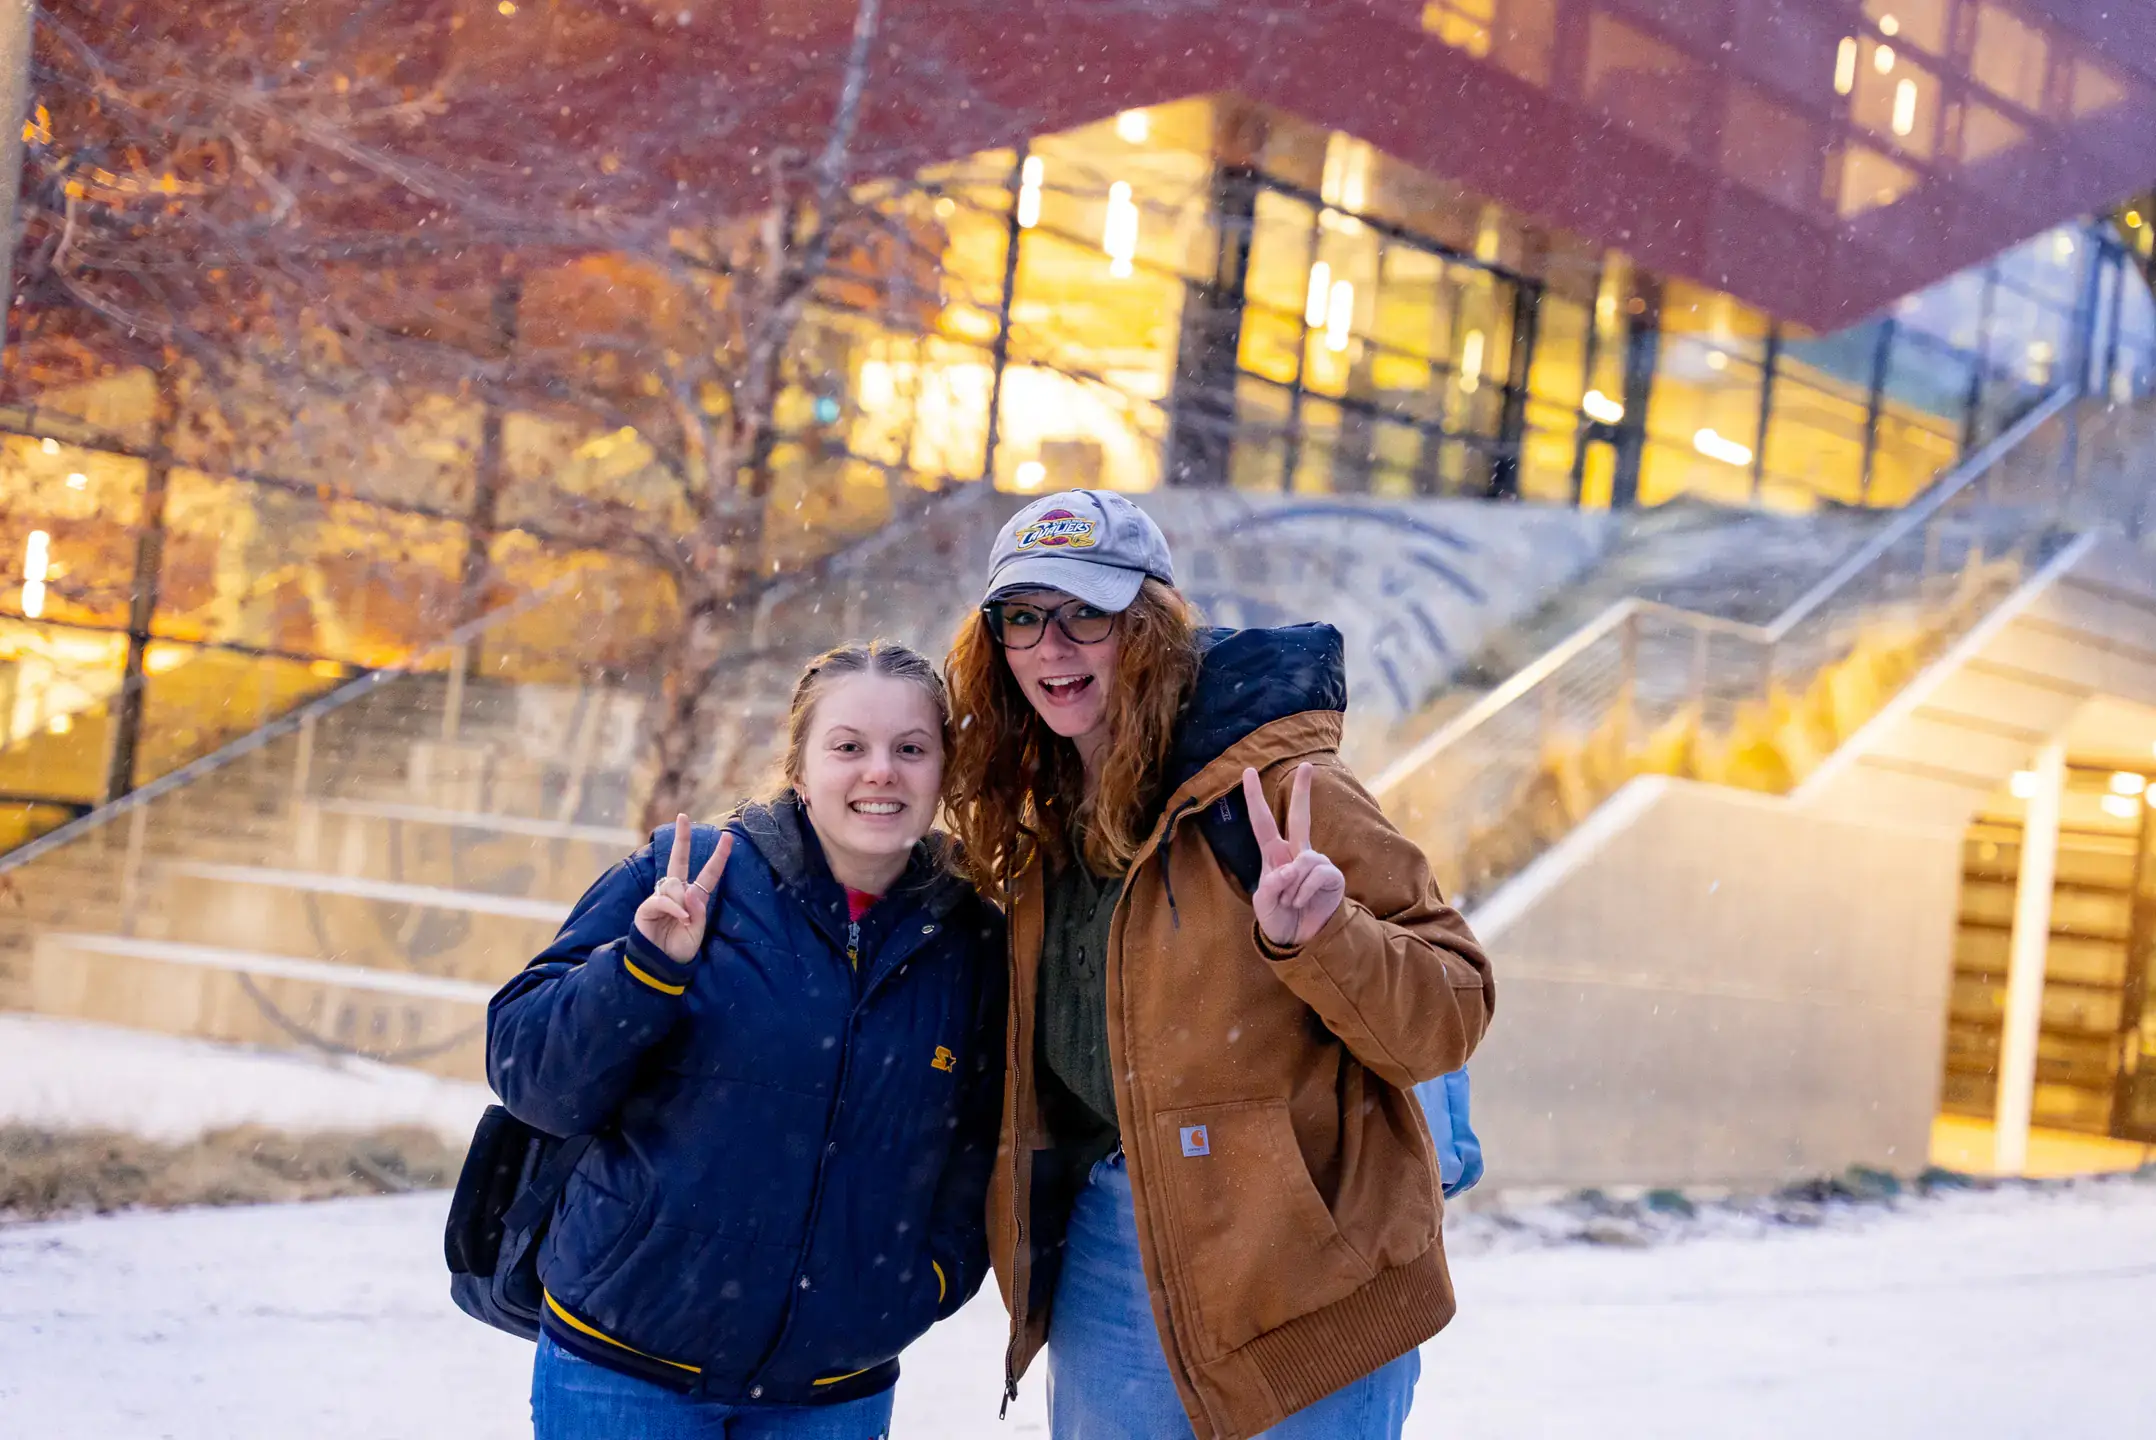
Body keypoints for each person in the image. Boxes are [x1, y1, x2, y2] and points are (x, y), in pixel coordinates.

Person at [943, 491, 1495, 1440]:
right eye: (1023, 618)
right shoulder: (1034, 814)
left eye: (1087, 614)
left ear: (1148, 628)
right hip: (1114, 1253)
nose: (1052, 646)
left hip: (1302, 1268)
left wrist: (1324, 935)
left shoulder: (1279, 788)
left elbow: (1450, 1007)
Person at [487, 641, 1007, 1440]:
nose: (881, 772)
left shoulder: (970, 938)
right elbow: (532, 1077)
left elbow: (982, 1140)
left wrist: (924, 1281)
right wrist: (643, 970)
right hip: (624, 1366)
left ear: (945, 772)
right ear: (799, 767)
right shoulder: (686, 874)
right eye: (848, 747)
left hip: (833, 1388)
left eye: (911, 749)